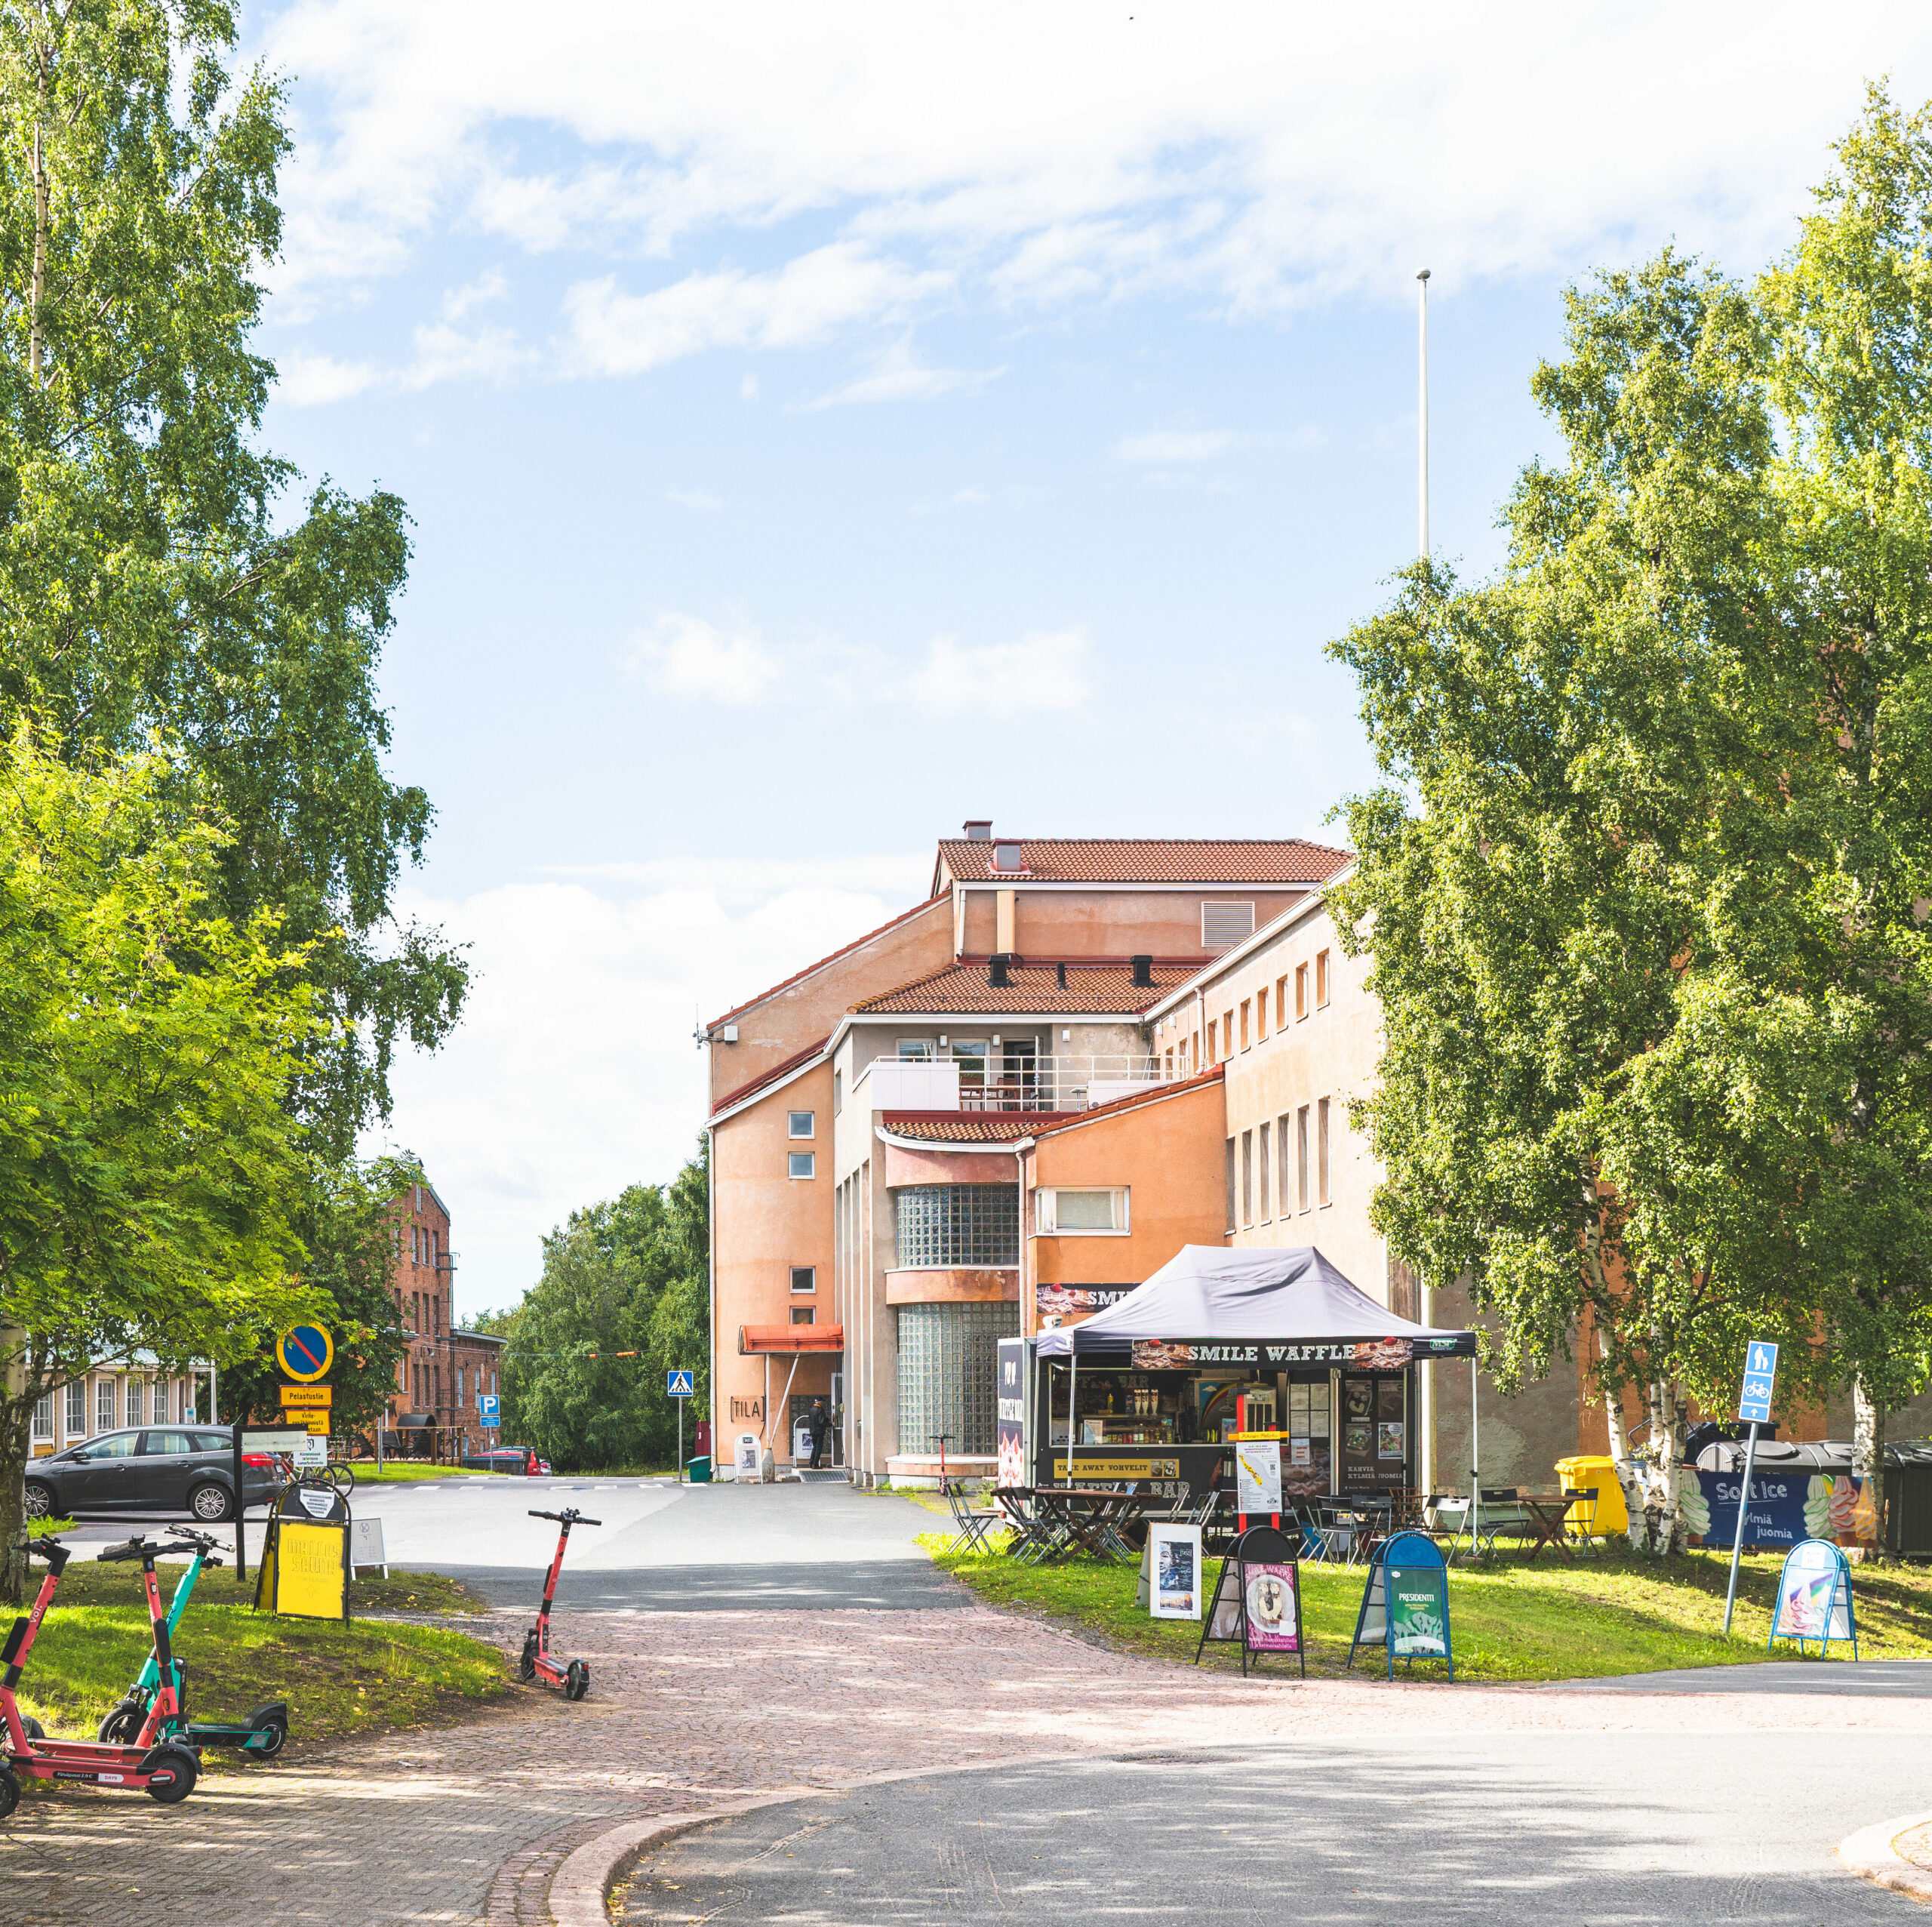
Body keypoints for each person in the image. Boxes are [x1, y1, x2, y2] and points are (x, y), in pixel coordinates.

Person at [807, 1399, 830, 1470]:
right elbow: (822, 1422)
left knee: (814, 1447)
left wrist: (827, 1419)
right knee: (818, 1448)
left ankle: (811, 1463)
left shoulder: (812, 1409)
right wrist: (830, 1424)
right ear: (819, 1402)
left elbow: (815, 1420)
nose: (822, 1403)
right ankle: (815, 1464)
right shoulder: (820, 1410)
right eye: (822, 1402)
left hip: (813, 1431)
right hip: (819, 1431)